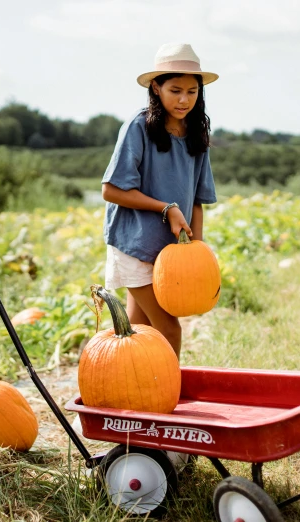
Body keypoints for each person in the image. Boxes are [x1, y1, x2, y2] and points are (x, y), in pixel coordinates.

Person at [101, 43, 218, 358]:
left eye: (192, 92)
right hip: (135, 244)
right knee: (168, 329)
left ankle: (136, 399)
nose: (184, 100)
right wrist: (166, 208)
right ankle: (168, 400)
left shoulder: (196, 131)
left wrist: (197, 250)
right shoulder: (139, 127)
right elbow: (111, 190)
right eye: (175, 90)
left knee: (140, 336)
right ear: (156, 87)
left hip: (169, 255)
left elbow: (197, 199)